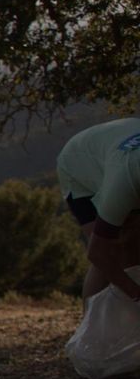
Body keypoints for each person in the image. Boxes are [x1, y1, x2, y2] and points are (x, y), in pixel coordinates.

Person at [56, 117, 140, 303]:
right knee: (113, 249)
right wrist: (136, 293)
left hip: (113, 148)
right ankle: (91, 326)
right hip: (78, 166)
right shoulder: (123, 183)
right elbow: (98, 253)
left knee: (134, 248)